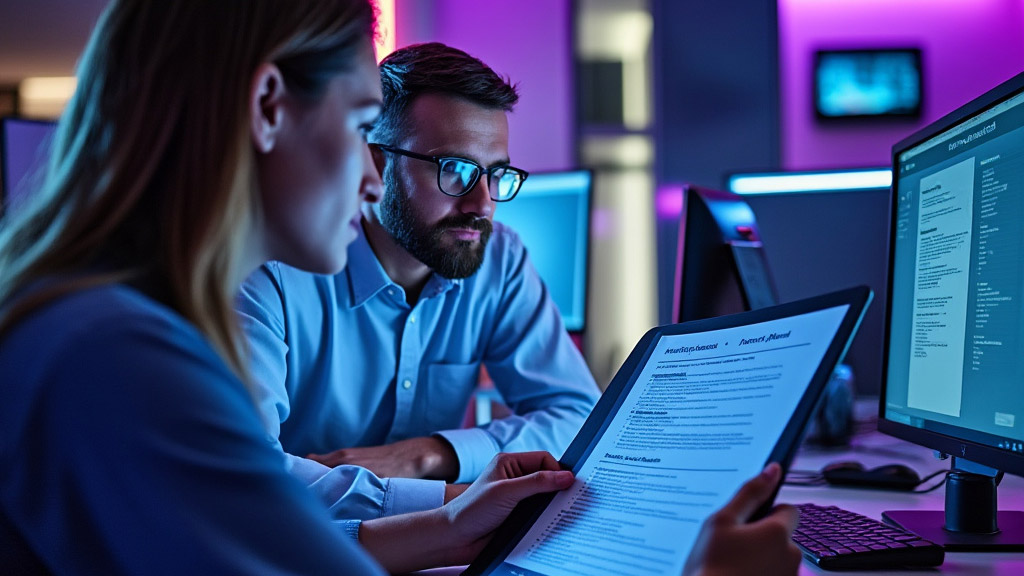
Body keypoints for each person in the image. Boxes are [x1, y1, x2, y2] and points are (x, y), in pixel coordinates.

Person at [0, 0, 800, 573]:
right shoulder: (125, 356)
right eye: (357, 128)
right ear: (269, 108)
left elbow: (273, 545)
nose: (365, 171)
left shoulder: (93, 320)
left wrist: (445, 513)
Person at [236, 42, 602, 519]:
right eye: (456, 170)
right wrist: (450, 505)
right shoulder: (272, 266)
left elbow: (580, 417)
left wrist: (434, 455)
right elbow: (245, 477)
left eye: (496, 174)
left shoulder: (499, 257)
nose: (483, 204)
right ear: (377, 163)